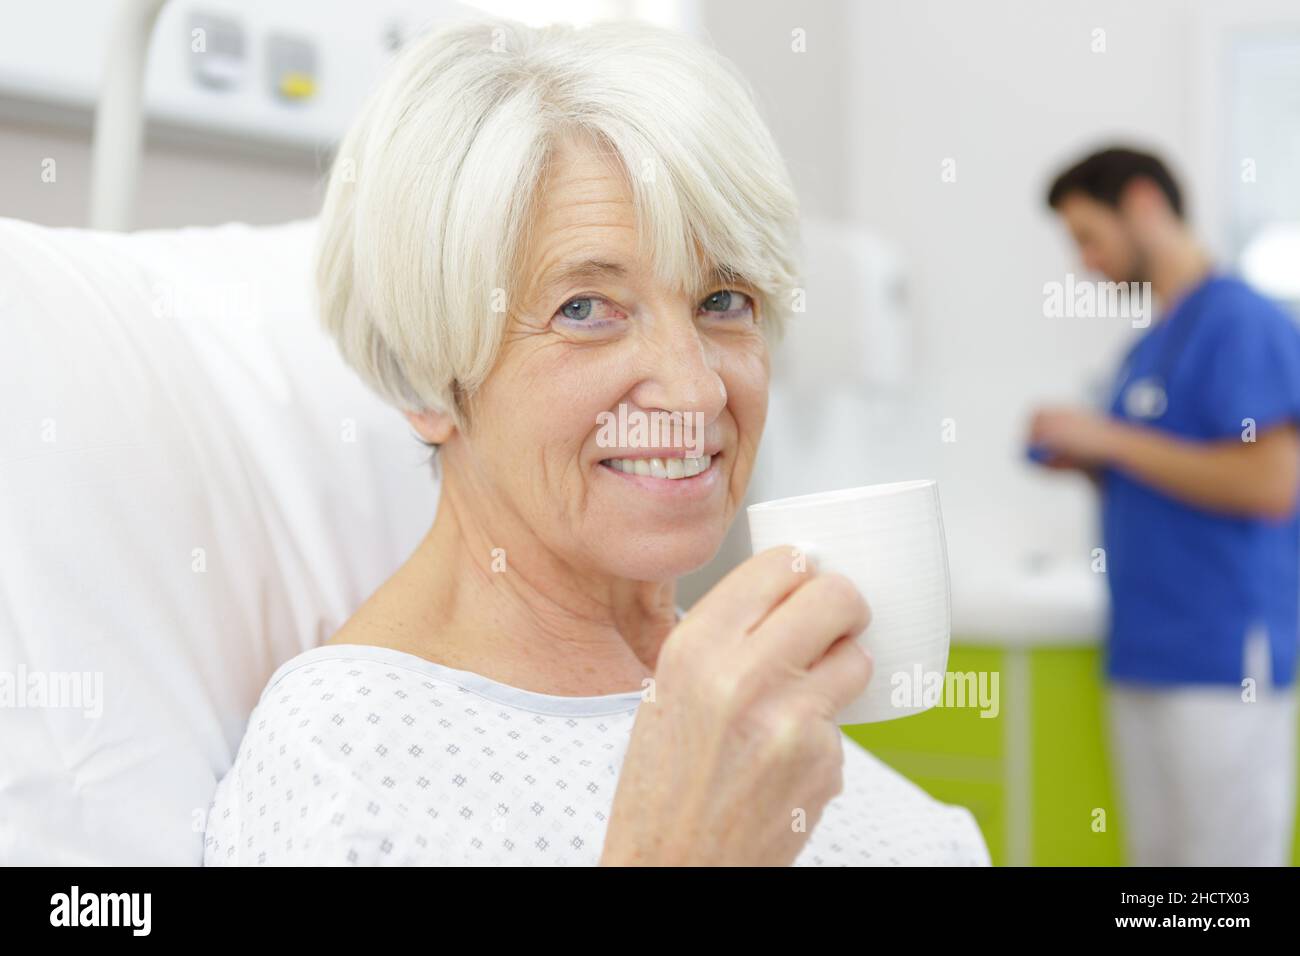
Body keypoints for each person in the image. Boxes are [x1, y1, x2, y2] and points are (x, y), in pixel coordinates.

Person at [201, 16, 990, 866]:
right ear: (429, 379)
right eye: (584, 309)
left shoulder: (770, 727)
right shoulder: (344, 769)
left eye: (723, 300)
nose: (696, 389)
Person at [1029, 146, 1300, 865]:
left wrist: (1109, 439)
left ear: (1144, 204)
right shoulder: (1148, 348)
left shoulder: (1239, 321)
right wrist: (1092, 460)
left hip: (1218, 658)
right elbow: (1164, 474)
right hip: (1147, 649)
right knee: (1161, 875)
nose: (1085, 260)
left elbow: (1273, 482)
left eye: (1089, 235)